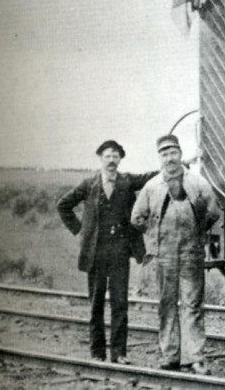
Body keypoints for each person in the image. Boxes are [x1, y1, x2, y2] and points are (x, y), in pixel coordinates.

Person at [57, 140, 156, 364]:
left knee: (120, 303)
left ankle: (119, 353)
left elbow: (150, 176)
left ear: (120, 159)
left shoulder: (127, 181)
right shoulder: (88, 184)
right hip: (96, 253)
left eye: (115, 156)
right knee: (96, 304)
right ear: (100, 158)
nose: (111, 160)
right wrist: (80, 229)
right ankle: (97, 353)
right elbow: (63, 205)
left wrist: (180, 164)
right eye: (107, 156)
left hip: (120, 251)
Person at [131, 134, 220, 374]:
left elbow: (214, 211)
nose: (169, 158)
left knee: (192, 305)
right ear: (159, 157)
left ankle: (195, 359)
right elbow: (136, 217)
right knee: (166, 305)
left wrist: (198, 229)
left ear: (180, 154)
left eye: (173, 153)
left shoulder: (197, 182)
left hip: (191, 254)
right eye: (164, 154)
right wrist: (153, 232)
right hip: (164, 256)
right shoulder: (152, 186)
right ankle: (170, 356)